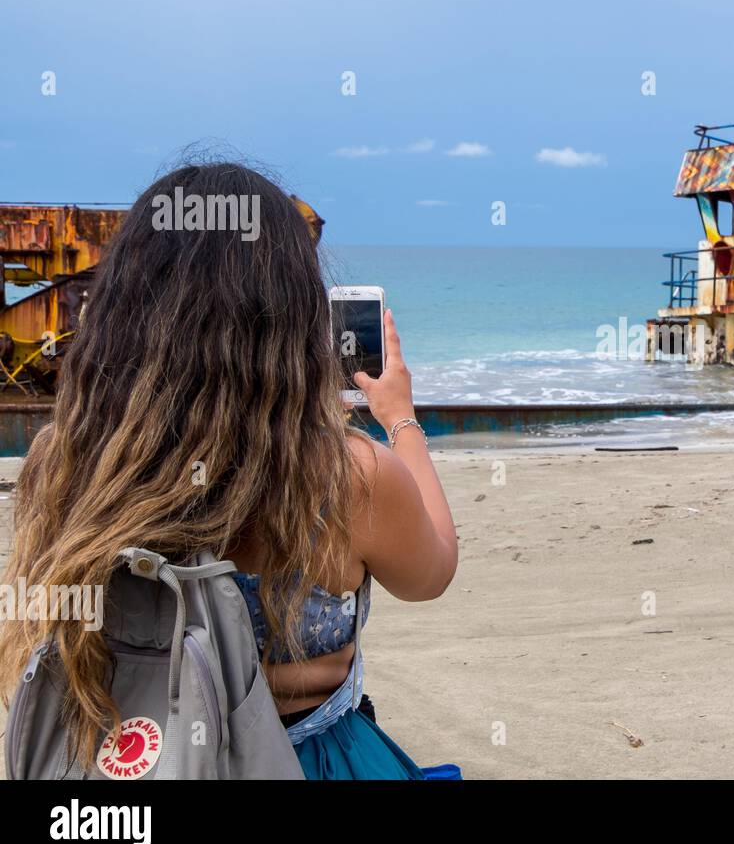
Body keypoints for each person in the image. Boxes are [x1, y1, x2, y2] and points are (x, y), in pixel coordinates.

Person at [0, 161, 458, 779]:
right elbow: (431, 572)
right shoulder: (342, 477)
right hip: (310, 760)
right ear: (292, 317)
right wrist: (400, 420)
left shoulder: (71, 464)